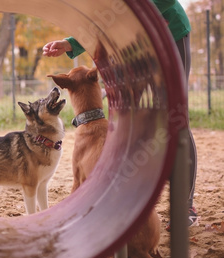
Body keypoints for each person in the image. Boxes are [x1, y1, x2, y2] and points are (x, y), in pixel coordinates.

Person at [42, 0, 198, 227]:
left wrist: (129, 21)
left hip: (168, 34)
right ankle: (135, 199)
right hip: (133, 45)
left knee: (173, 118)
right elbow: (105, 18)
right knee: (131, 118)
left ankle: (185, 206)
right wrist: (70, 43)